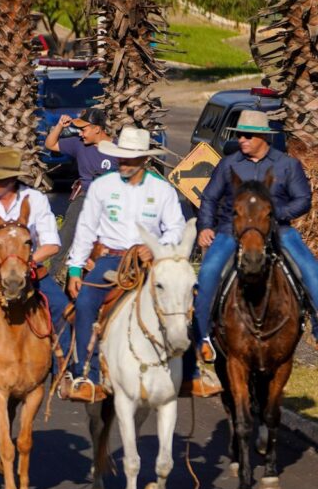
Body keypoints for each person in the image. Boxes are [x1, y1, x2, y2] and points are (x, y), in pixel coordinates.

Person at [63, 127, 187, 403]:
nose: (124, 164)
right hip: (109, 258)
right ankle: (86, 374)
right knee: (83, 305)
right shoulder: (101, 186)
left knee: (185, 299)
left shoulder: (162, 189)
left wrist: (155, 247)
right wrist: (74, 268)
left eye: (131, 159)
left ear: (144, 159)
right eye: (121, 158)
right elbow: (86, 228)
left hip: (151, 260)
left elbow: (176, 227)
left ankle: (192, 370)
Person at [0, 147, 70, 422]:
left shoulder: (36, 199)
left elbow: (52, 243)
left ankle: (64, 372)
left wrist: (25, 260)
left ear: (13, 179)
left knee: (64, 311)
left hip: (30, 272)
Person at [195, 109, 318, 362]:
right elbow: (209, 198)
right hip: (232, 230)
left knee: (311, 271)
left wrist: (275, 213)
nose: (242, 140)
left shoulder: (287, 165)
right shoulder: (228, 164)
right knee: (208, 272)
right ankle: (201, 336)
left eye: (249, 136)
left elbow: (303, 200)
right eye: (240, 135)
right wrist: (206, 226)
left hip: (278, 229)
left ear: (265, 138)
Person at [45, 107, 114, 283]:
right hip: (86, 197)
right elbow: (50, 144)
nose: (81, 134)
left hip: (111, 200)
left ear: (97, 129)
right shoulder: (78, 144)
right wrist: (60, 126)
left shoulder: (117, 150)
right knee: (67, 233)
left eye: (84, 129)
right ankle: (54, 276)